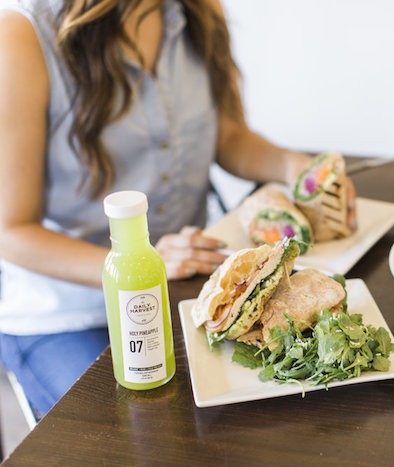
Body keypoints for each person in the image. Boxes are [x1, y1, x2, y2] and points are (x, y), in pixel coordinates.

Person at [0, 0, 317, 418]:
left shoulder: (202, 11)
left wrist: (298, 168)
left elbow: (229, 136)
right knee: (132, 435)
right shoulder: (22, 36)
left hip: (184, 294)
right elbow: (11, 230)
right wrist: (141, 265)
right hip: (69, 315)